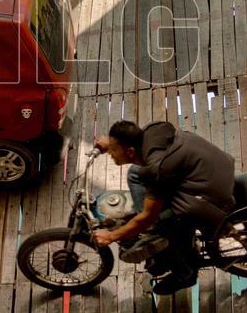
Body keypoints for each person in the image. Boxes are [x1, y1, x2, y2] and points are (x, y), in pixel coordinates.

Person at [92, 120, 236, 295]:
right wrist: (112, 144)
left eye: (114, 150)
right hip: (215, 167)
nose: (111, 154)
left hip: (210, 194)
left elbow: (147, 217)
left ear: (130, 151)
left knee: (162, 228)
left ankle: (185, 274)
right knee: (135, 173)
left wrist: (111, 236)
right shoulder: (152, 130)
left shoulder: (157, 171)